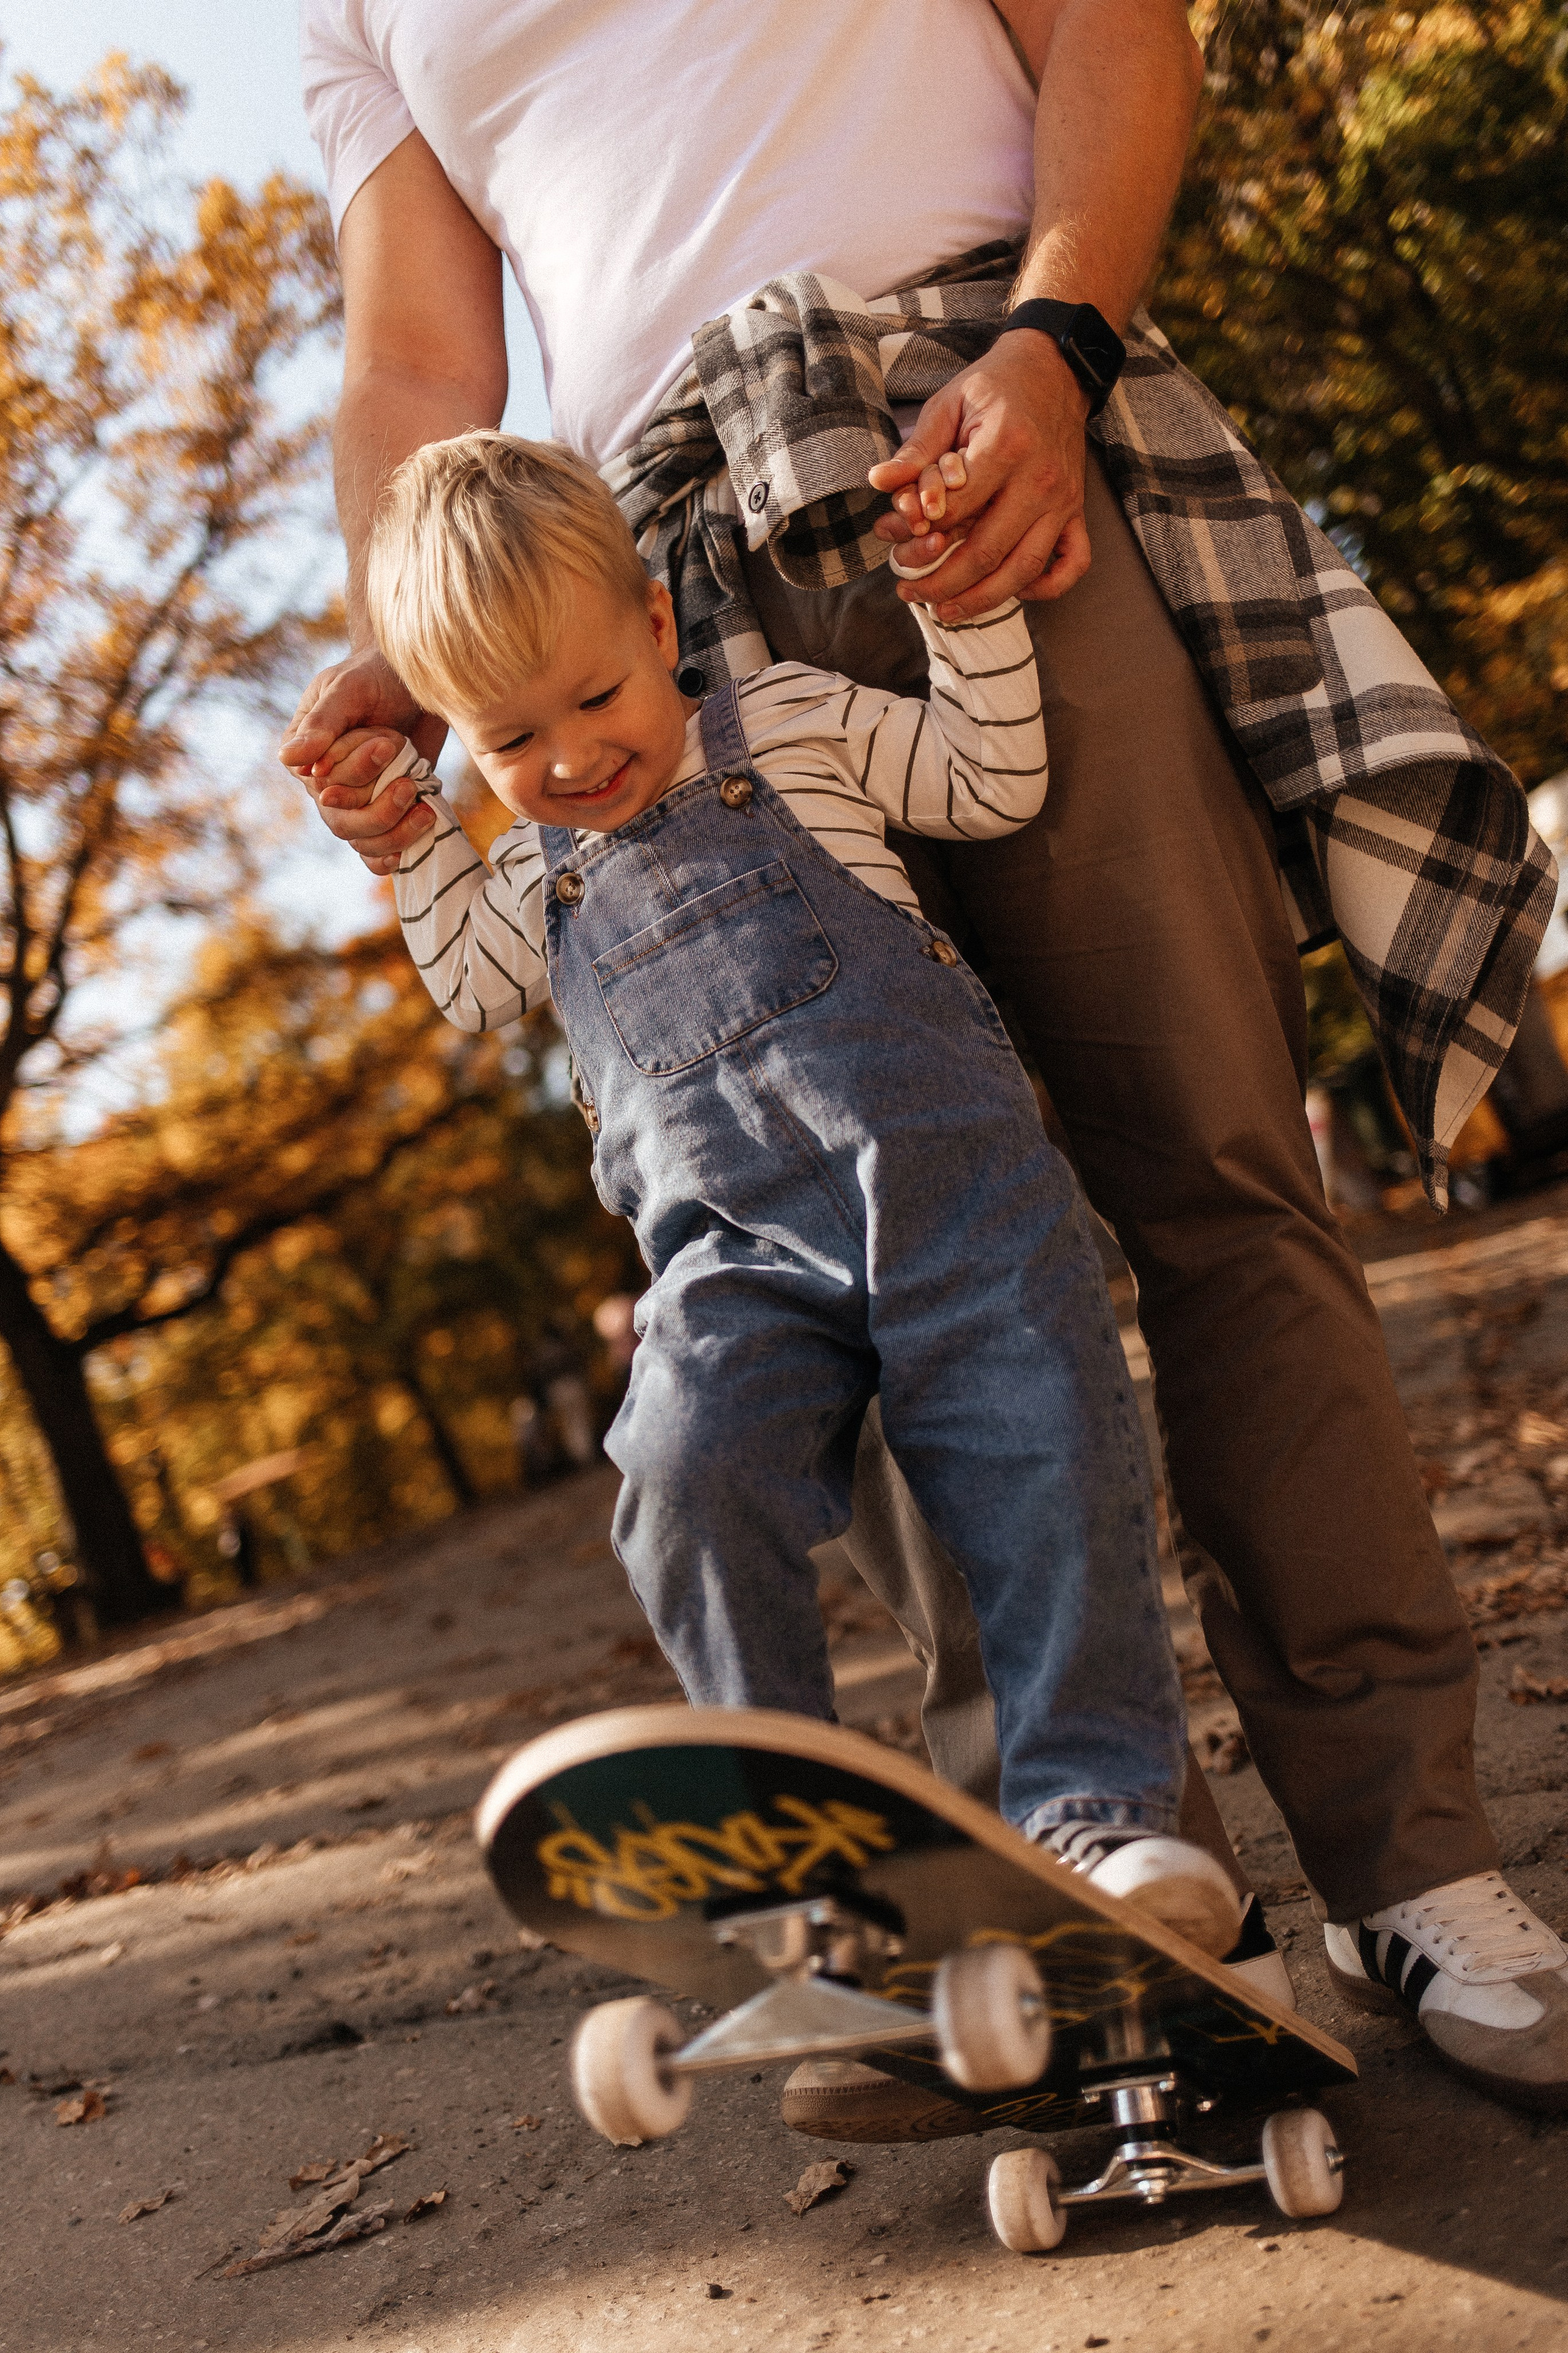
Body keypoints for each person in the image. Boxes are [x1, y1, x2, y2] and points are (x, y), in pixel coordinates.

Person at [282, 0, 1568, 2115]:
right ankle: (1096, 1896)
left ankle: (1416, 1866)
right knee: (854, 1269)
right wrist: (439, 633)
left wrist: (1059, 349)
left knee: (1217, 1178)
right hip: (644, 581)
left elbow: (1112, 33)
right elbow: (419, 365)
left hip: (975, 425)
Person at [328, 425, 1244, 1958]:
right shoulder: (531, 871)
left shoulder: (793, 722)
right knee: (679, 1479)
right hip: (727, 1267)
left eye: (596, 698)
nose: (566, 762)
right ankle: (795, 1852)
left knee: (1044, 1478)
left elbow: (988, 776)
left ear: (657, 624)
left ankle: (1097, 1821)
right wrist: (414, 844)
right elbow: (474, 990)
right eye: (504, 744)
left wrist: (965, 622)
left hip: (959, 1213)